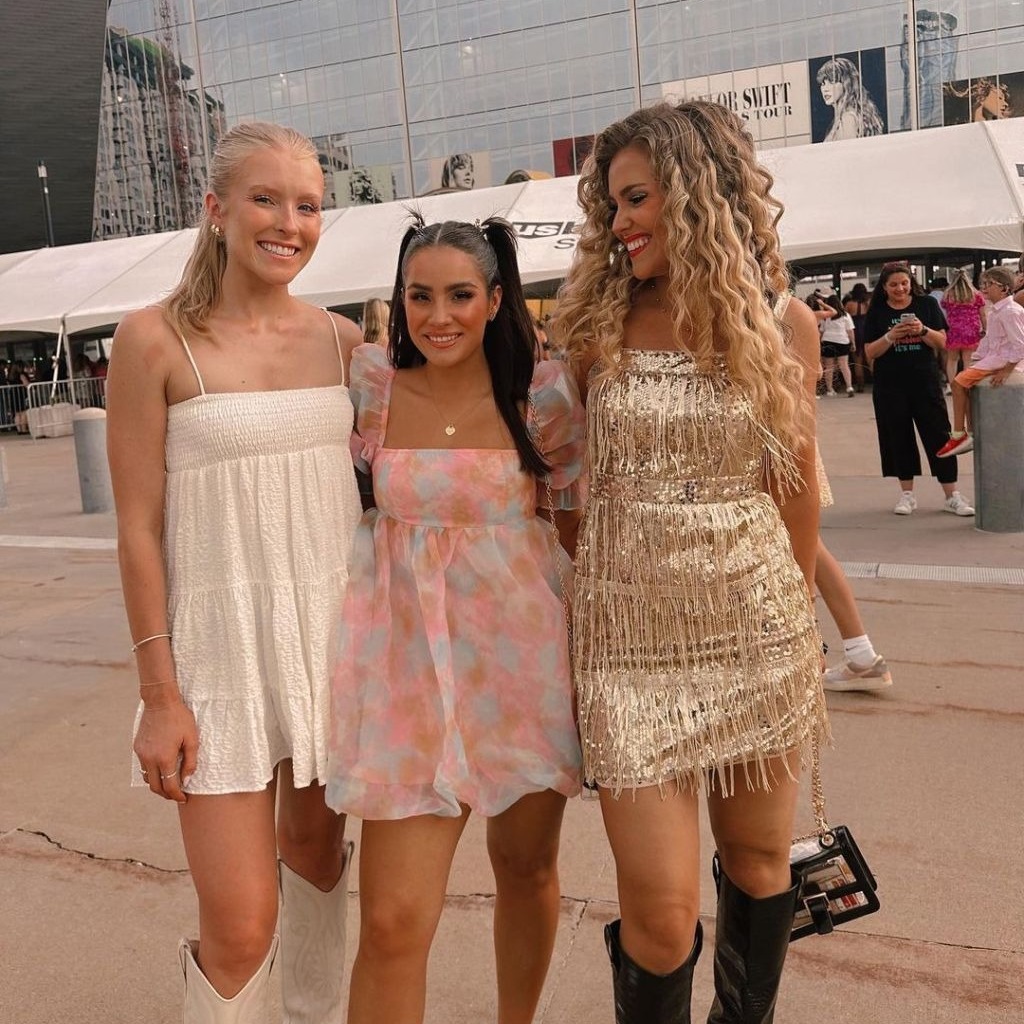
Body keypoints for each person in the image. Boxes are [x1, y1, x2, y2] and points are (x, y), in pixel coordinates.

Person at [555, 100, 827, 1023]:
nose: (620, 222)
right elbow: (562, 485)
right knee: (661, 913)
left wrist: (798, 634)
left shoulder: (783, 323)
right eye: (613, 204)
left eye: (637, 199)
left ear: (696, 193)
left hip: (759, 628)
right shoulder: (593, 323)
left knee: (757, 866)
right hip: (627, 646)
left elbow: (794, 491)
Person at [106, 122, 364, 1023]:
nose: (289, 222)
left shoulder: (343, 340)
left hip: (330, 654)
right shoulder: (150, 343)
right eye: (267, 199)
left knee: (324, 868)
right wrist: (159, 695)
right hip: (216, 664)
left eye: (308, 206)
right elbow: (137, 531)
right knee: (243, 924)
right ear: (216, 210)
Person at [326, 217, 585, 1024]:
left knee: (526, 870)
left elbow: (573, 529)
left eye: (460, 295)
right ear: (397, 303)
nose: (437, 316)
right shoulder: (371, 383)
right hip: (400, 673)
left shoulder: (542, 396)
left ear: (496, 299)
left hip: (519, 665)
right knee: (394, 918)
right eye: (419, 296)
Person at [863, 262, 974, 516]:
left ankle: (951, 494)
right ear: (884, 287)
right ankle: (907, 494)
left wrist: (922, 330)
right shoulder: (877, 311)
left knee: (939, 435)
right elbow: (870, 351)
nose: (900, 289)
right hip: (889, 385)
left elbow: (945, 342)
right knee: (898, 436)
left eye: (904, 283)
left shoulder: (926, 305)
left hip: (925, 382)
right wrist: (891, 336)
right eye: (893, 285)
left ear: (911, 282)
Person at [936, 266, 1024, 458]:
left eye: (990, 284)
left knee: (958, 383)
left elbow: (1019, 344)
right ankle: (971, 430)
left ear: (1005, 288)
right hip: (993, 359)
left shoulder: (1009, 311)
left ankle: (959, 433)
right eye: (984, 283)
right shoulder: (996, 311)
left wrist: (1007, 370)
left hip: (1001, 361)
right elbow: (989, 341)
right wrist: (978, 359)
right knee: (965, 383)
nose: (984, 288)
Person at [816, 56, 885, 141]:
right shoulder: (843, 116)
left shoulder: (848, 117)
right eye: (823, 84)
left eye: (832, 82)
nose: (825, 89)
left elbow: (847, 151)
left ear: (846, 84)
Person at [939, 269, 987, 392]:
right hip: (971, 329)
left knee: (952, 359)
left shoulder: (948, 294)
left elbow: (944, 309)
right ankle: (966, 384)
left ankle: (951, 385)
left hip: (953, 329)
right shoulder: (975, 295)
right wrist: (985, 328)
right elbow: (983, 315)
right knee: (968, 359)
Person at [818, 293, 856, 396]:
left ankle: (830, 389)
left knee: (829, 367)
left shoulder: (826, 316)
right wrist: (853, 343)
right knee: (844, 365)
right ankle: (849, 386)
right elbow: (850, 331)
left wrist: (819, 342)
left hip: (828, 340)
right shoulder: (845, 315)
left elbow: (821, 331)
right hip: (842, 341)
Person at [844, 281, 871, 390]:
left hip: (855, 331)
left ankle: (860, 385)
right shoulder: (867, 303)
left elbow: (844, 318)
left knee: (857, 360)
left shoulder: (849, 304)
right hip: (866, 330)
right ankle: (875, 381)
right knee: (870, 357)